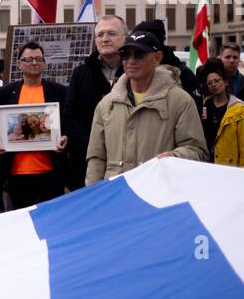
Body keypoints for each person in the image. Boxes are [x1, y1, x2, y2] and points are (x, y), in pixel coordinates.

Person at [85, 28, 208, 184]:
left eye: (139, 54)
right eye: (126, 54)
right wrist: (94, 199)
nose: (131, 60)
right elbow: (96, 159)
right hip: (116, 196)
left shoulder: (181, 101)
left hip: (158, 194)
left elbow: (197, 150)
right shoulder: (106, 105)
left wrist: (175, 156)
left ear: (157, 58)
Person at [0, 41, 68, 209]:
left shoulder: (60, 92)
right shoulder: (5, 93)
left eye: (38, 59)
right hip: (16, 174)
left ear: (45, 63)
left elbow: (68, 123)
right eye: (29, 59)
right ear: (19, 64)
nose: (34, 63)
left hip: (50, 173)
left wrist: (64, 137)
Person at [64, 15, 125, 190]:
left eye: (112, 33)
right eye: (100, 35)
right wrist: (93, 147)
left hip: (128, 162)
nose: (105, 39)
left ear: (124, 38)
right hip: (87, 162)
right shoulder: (80, 73)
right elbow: (70, 117)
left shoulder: (135, 70)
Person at [198, 58, 244, 166]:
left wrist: (243, 170)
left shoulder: (240, 110)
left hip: (229, 167)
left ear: (226, 82)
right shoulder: (204, 106)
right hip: (207, 163)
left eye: (217, 81)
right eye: (209, 83)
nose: (213, 85)